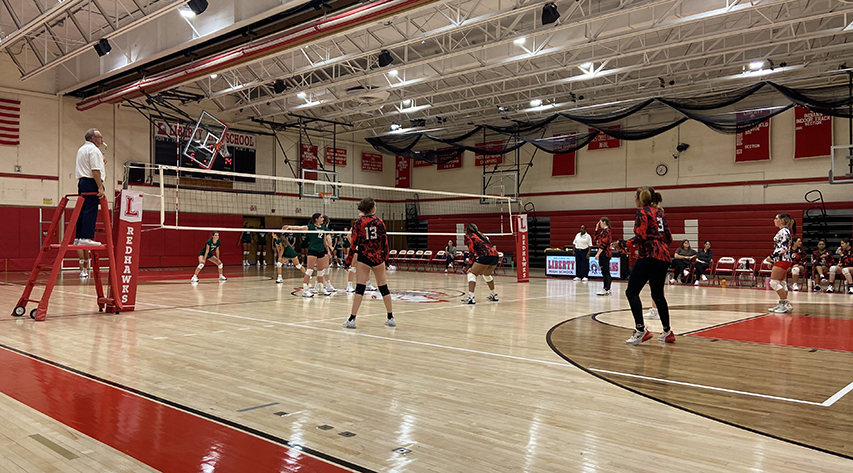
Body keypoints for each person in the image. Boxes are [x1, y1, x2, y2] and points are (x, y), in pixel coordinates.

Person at [625, 187, 674, 345]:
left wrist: (624, 243)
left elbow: (640, 236)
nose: (634, 199)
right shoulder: (660, 212)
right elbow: (669, 237)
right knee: (658, 295)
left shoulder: (642, 212)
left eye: (635, 197)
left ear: (640, 198)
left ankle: (641, 330)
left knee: (631, 292)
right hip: (664, 255)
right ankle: (667, 331)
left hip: (649, 254)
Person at [344, 197, 394, 329]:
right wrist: (386, 260)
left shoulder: (358, 222)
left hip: (364, 257)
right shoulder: (380, 222)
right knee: (383, 287)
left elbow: (353, 243)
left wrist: (348, 261)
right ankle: (390, 317)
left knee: (360, 288)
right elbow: (385, 243)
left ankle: (352, 319)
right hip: (378, 257)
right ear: (372, 208)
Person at [74, 128, 106, 246]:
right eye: (100, 137)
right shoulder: (94, 150)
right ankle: (86, 237)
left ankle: (79, 237)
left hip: (82, 183)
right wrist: (100, 187)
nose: (102, 140)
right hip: (91, 182)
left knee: (82, 210)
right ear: (93, 138)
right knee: (91, 209)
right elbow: (95, 170)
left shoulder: (81, 149)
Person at [461, 223, 500, 304]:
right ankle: (494, 295)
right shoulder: (481, 236)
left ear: (467, 231)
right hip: (495, 256)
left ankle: (471, 297)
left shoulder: (470, 237)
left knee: (471, 274)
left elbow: (471, 251)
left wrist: (469, 266)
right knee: (486, 274)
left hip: (486, 255)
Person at [766, 213, 795, 312]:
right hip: (782, 260)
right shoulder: (785, 231)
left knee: (773, 282)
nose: (774, 220)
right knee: (782, 283)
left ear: (782, 221)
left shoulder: (784, 231)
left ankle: (785, 303)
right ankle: (782, 304)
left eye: (776, 218)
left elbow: (783, 248)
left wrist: (772, 257)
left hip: (782, 260)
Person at [594, 218, 613, 296]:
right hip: (605, 254)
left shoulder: (606, 231)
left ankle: (606, 288)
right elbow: (596, 238)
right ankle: (607, 288)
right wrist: (596, 229)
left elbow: (603, 244)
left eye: (600, 222)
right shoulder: (603, 231)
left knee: (605, 272)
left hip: (605, 254)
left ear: (604, 222)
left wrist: (598, 254)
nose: (600, 224)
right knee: (605, 272)